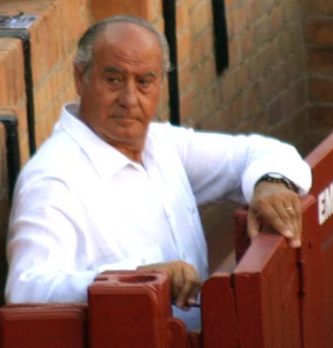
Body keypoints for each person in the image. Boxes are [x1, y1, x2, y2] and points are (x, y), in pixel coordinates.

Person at [4, 15, 311, 329]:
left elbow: (258, 152)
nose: (129, 99)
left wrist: (271, 183)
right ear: (79, 78)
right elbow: (26, 288)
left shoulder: (161, 144)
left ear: (159, 86)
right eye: (113, 80)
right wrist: (135, 280)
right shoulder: (53, 178)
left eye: (144, 82)